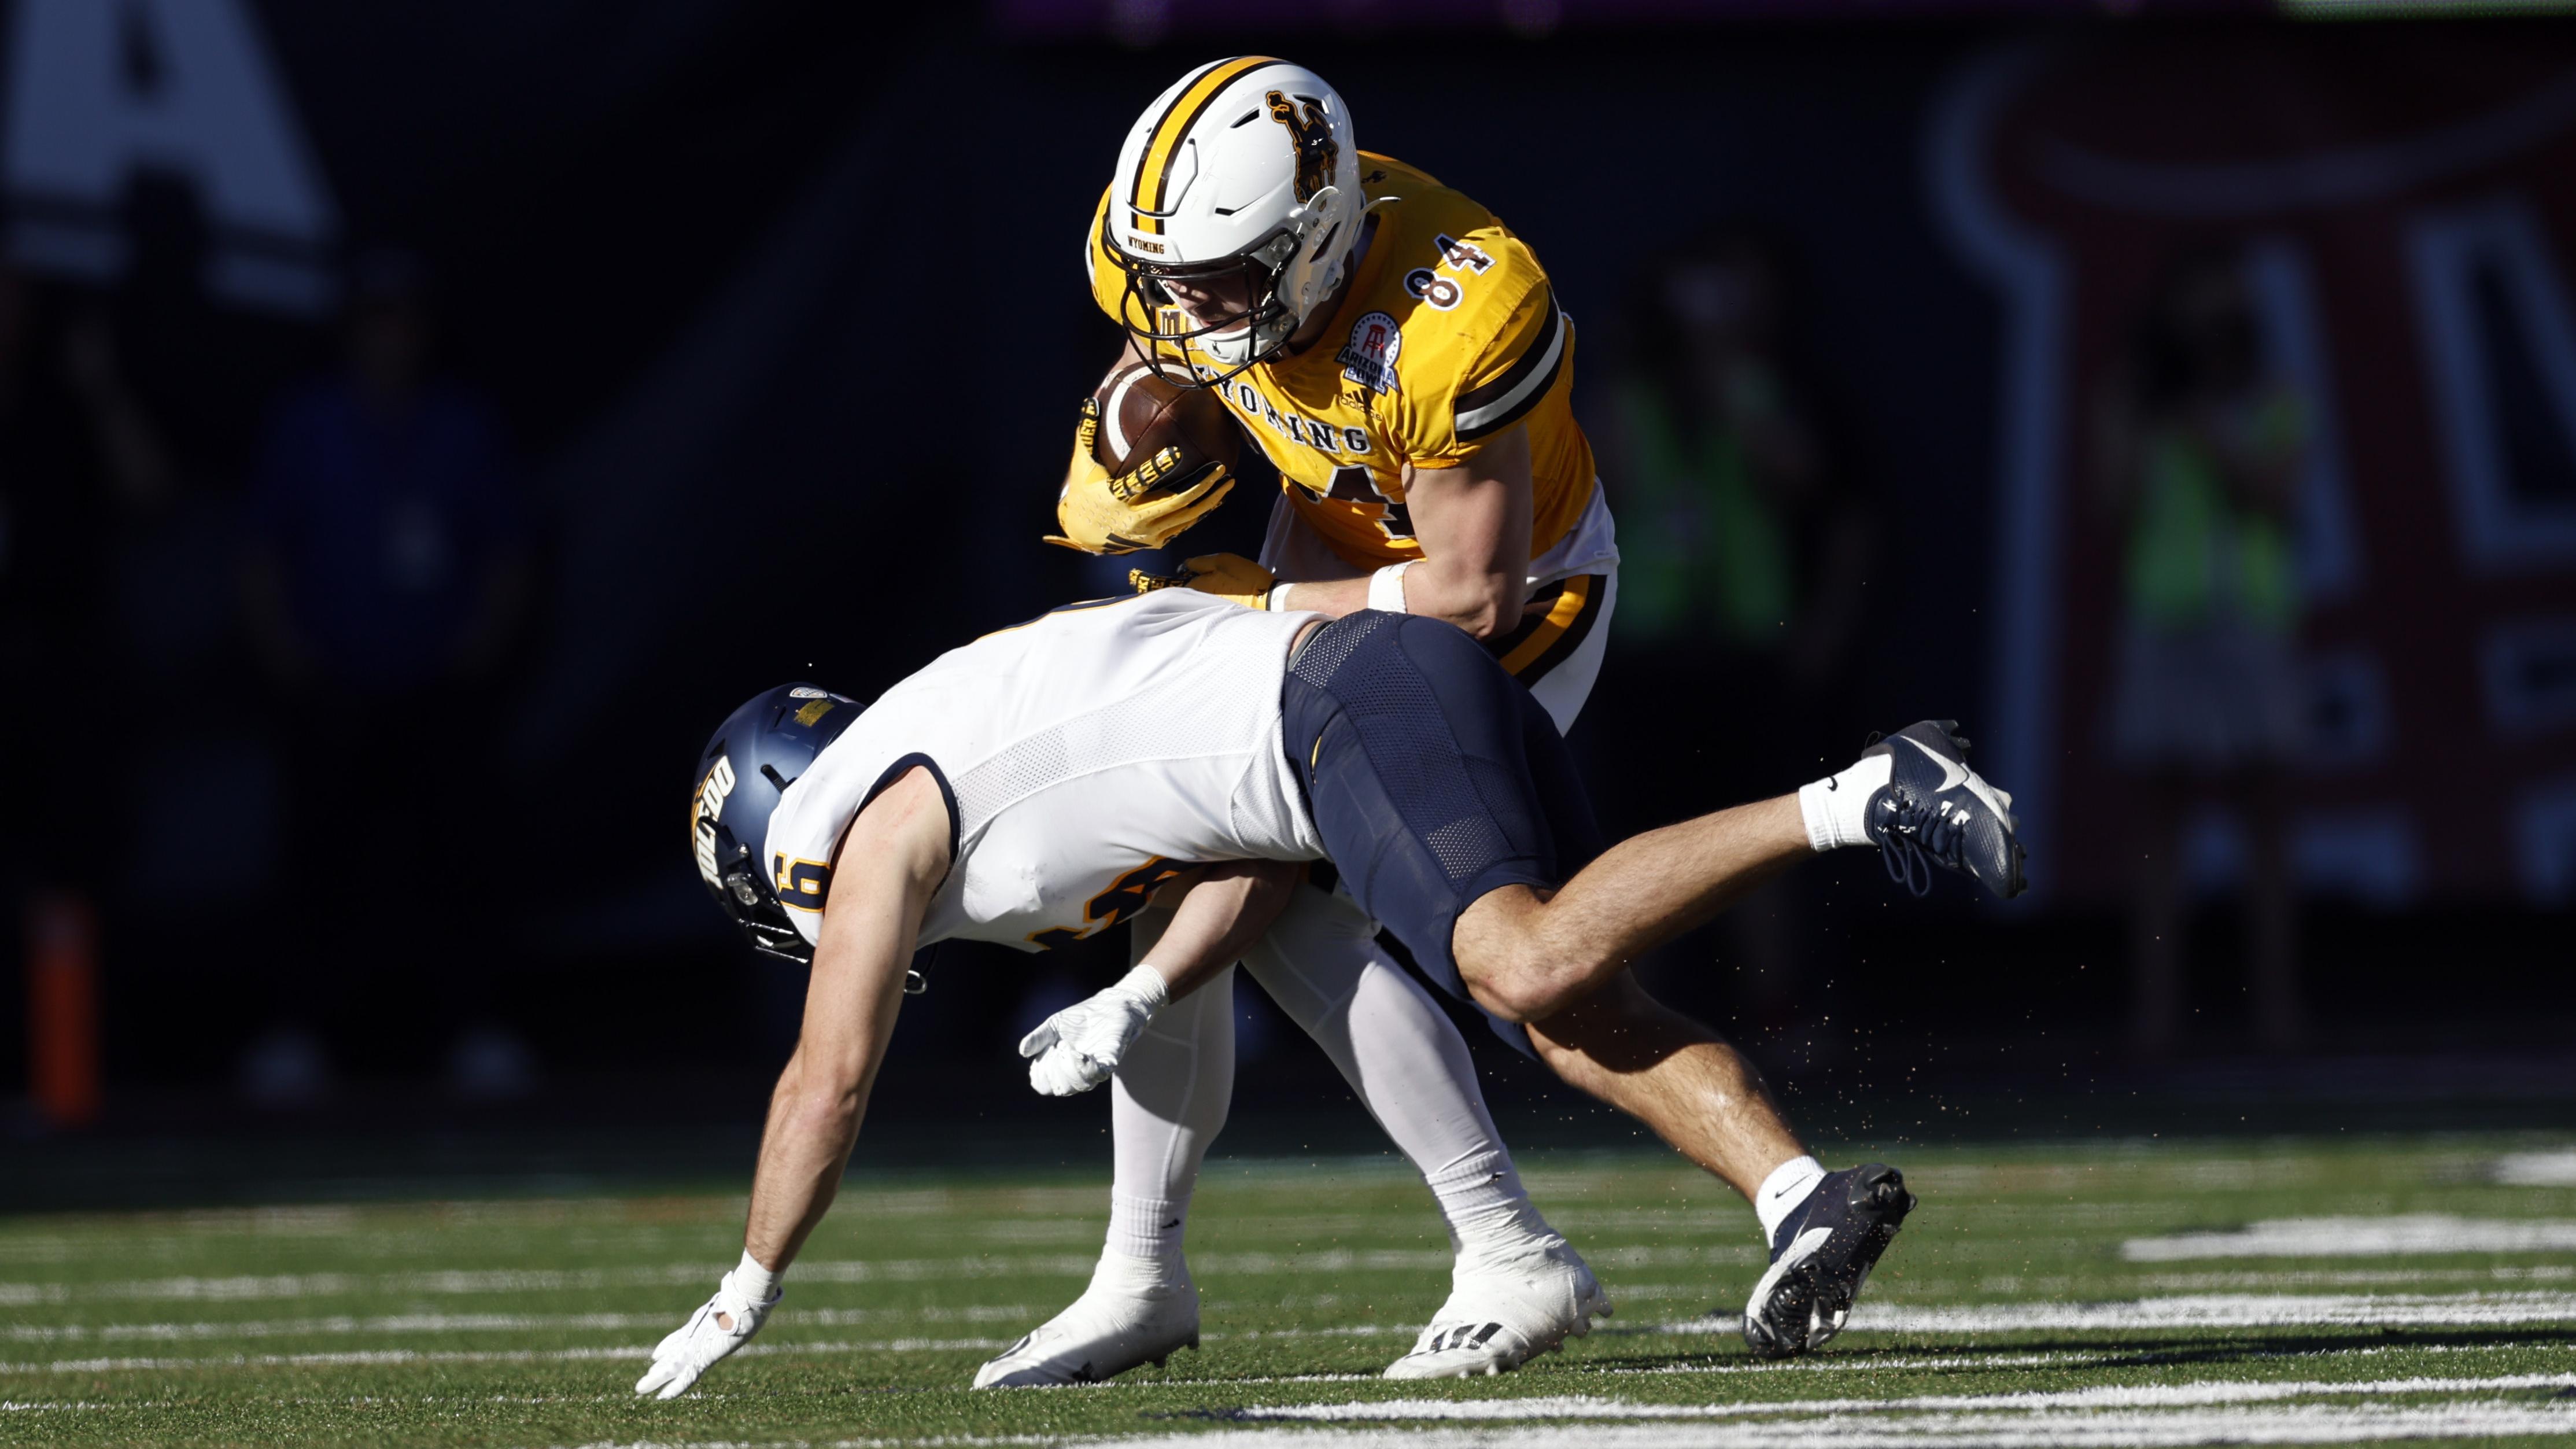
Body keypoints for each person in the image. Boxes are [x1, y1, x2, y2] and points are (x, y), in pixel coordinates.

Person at [633, 588, 2024, 1399]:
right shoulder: (950, 741)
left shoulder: (860, 823)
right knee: (1551, 1000)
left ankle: (1858, 792)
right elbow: (1253, 872)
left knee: (1523, 956)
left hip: (1347, 701)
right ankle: (1797, 1196)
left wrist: (744, 1287)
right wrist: (1150, 987)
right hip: (1344, 716)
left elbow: (827, 1076)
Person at [1018, 55, 1646, 1385]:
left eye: (1218, 282)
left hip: (1526, 589)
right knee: (1175, 863)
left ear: (1313, 244)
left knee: (1315, 899)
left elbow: (1475, 591)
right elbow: (1169, 338)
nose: (1184, 310)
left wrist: (1270, 605)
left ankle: (1508, 1240)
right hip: (1335, 565)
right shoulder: (1179, 264)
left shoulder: (1456, 300)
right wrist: (1147, 414)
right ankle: (1143, 1270)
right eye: (1166, 281)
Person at [2095, 247, 2308, 1057]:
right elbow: (2107, 501)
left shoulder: (2270, 395)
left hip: (2251, 619)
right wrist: (2150, 418)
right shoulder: (2133, 396)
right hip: (2164, 618)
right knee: (2157, 823)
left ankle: (2278, 1008)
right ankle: (2155, 1013)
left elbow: (2281, 494)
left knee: (2266, 816)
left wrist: (2208, 427)